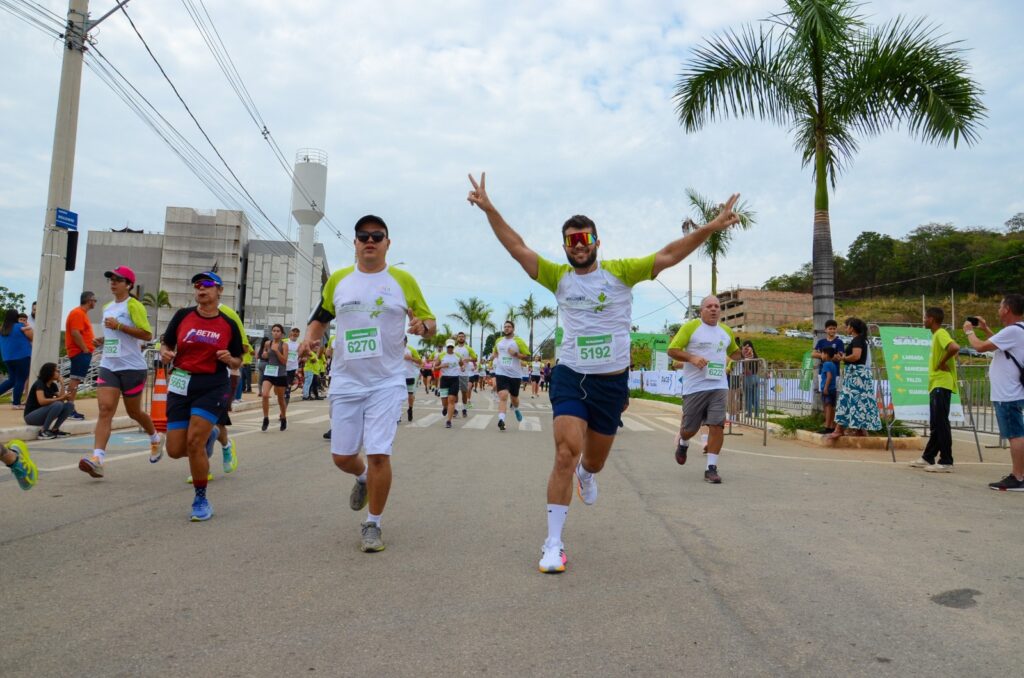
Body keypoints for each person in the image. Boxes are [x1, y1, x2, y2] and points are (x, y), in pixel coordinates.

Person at [467, 172, 740, 573]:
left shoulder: (621, 272)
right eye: (571, 240)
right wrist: (490, 209)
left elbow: (669, 254)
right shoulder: (557, 277)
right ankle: (553, 543)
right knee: (565, 451)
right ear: (565, 247)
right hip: (570, 375)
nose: (578, 245)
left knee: (592, 462)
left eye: (585, 238)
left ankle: (587, 474)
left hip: (610, 382)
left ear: (597, 241)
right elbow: (517, 247)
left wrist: (711, 227)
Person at [300, 214, 436, 552]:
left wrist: (423, 327)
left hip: (386, 382)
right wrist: (310, 338)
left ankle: (373, 523)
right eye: (364, 236)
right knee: (342, 457)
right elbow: (319, 319)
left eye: (377, 235)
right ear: (355, 243)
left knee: (378, 453)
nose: (370, 241)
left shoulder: (403, 280)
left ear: (388, 243)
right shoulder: (339, 281)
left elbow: (430, 323)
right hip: (346, 380)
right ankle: (361, 477)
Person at [160, 271, 243, 521]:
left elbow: (238, 359)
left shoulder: (228, 324)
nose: (201, 289)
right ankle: (213, 433)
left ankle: (201, 499)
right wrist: (165, 353)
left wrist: (230, 359)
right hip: (181, 383)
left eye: (207, 284)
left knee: (195, 443)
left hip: (212, 385)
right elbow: (167, 344)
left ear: (220, 290)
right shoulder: (183, 316)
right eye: (197, 285)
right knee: (175, 449)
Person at [78, 267, 164, 478]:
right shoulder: (107, 307)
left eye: (118, 279)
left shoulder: (134, 305)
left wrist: (119, 327)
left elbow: (146, 334)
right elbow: (115, 336)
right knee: (105, 409)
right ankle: (97, 459)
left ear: (129, 284)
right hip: (109, 364)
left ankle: (155, 438)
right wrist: (103, 340)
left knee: (134, 412)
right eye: (111, 279)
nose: (113, 282)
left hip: (132, 367)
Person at [668, 296, 743, 484]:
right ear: (701, 310)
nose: (713, 309)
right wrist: (692, 358)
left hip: (719, 385)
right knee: (690, 429)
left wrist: (742, 354)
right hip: (695, 387)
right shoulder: (691, 327)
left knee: (717, 426)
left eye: (717, 306)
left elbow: (734, 352)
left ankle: (711, 468)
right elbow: (673, 350)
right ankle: (683, 442)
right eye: (709, 306)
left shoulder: (726, 331)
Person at [962, 294, 1024, 491]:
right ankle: (1019, 474)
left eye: (1000, 306)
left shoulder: (1013, 331)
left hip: (1008, 393)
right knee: (1016, 433)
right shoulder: (1017, 330)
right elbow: (1001, 346)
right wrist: (985, 329)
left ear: (1007, 309)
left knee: (1015, 434)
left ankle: (1018, 477)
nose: (998, 310)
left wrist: (969, 331)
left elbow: (980, 347)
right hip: (1012, 391)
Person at [909, 307, 960, 472]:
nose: (924, 320)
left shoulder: (941, 333)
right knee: (936, 424)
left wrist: (942, 362)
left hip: (941, 384)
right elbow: (953, 351)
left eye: (925, 317)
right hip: (937, 384)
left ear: (931, 319)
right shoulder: (936, 336)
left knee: (941, 423)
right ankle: (928, 457)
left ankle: (946, 460)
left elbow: (954, 347)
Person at [827, 317, 882, 439]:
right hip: (859, 376)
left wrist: (843, 358)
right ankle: (860, 430)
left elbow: (856, 356)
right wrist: (844, 357)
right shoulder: (861, 340)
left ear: (852, 328)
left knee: (846, 400)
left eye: (847, 326)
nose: (846, 328)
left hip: (856, 376)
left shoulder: (857, 340)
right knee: (859, 401)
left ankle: (839, 429)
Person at [490, 320, 531, 431]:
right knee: (503, 396)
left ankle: (516, 409)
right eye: (505, 327)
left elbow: (528, 357)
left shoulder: (518, 341)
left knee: (514, 398)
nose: (506, 328)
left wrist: (516, 354)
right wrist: (494, 357)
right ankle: (501, 420)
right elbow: (495, 352)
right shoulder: (499, 341)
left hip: (515, 375)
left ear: (513, 329)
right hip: (501, 373)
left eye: (509, 327)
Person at [65, 291, 99, 419]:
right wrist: (85, 349)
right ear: (89, 300)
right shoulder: (78, 313)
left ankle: (69, 408)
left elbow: (81, 334)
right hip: (79, 352)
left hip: (82, 351)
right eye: (94, 300)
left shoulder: (81, 313)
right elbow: (75, 333)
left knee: (76, 380)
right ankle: (69, 409)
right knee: (75, 380)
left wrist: (92, 343)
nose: (95, 302)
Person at [24, 362, 74, 438]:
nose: (58, 373)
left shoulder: (53, 385)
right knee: (57, 404)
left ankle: (55, 429)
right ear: (49, 372)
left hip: (43, 415)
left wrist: (62, 384)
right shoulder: (39, 383)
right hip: (31, 417)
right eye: (56, 371)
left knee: (70, 405)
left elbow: (61, 400)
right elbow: (42, 401)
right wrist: (60, 398)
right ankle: (43, 431)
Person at [0, 308, 33, 409]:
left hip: (7, 358)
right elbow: (32, 337)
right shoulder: (20, 326)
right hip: (22, 356)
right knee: (21, 379)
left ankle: (16, 402)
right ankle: (16, 403)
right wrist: (27, 326)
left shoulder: (2, 329)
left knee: (12, 380)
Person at [260, 324, 289, 432]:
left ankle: (283, 418)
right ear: (271, 332)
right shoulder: (268, 343)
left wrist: (276, 351)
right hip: (269, 371)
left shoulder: (284, 345)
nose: (276, 333)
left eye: (278, 331)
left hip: (280, 373)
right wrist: (264, 354)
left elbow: (284, 361)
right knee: (265, 394)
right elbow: (265, 354)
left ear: (281, 333)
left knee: (280, 399)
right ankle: (265, 418)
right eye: (274, 330)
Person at [435, 339, 464, 428]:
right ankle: (444, 407)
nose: (450, 348)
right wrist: (441, 366)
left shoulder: (458, 356)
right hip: (444, 379)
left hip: (454, 379)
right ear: (446, 347)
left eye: (451, 347)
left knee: (451, 400)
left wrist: (462, 368)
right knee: (444, 401)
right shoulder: (441, 355)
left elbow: (461, 364)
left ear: (453, 347)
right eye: (448, 347)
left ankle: (449, 421)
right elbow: (435, 368)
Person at [453, 331, 477, 417]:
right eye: (459, 336)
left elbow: (475, 359)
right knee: (455, 392)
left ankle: (464, 409)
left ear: (465, 338)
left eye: (462, 336)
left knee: (464, 393)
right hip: (455, 374)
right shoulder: (454, 348)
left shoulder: (468, 348)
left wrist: (468, 359)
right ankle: (455, 409)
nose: (461, 338)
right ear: (457, 338)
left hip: (464, 374)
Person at [818, 347, 839, 433]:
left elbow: (829, 377)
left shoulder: (826, 364)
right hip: (833, 389)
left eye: (822, 353)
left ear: (826, 355)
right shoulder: (833, 364)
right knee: (831, 408)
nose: (821, 355)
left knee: (827, 408)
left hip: (828, 389)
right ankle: (832, 426)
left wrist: (826, 388)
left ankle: (827, 427)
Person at [402, 337, 421, 421]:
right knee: (398, 396)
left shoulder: (411, 349)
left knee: (410, 395)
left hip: (409, 375)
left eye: (403, 340)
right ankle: (398, 415)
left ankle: (410, 409)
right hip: (399, 376)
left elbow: (420, 362)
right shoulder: (395, 349)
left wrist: (411, 358)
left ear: (406, 341)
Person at [740, 340, 761, 418]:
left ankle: (749, 413)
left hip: (748, 377)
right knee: (756, 396)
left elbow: (746, 368)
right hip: (756, 377)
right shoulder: (755, 355)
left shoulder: (746, 354)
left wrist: (745, 370)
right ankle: (757, 413)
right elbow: (759, 365)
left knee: (748, 396)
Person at [285, 327, 301, 402]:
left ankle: (287, 396)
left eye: (297, 332)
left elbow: (300, 355)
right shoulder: (285, 342)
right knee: (282, 383)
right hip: (284, 366)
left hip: (293, 367)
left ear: (298, 334)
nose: (295, 333)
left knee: (289, 384)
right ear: (290, 333)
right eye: (293, 331)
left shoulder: (299, 344)